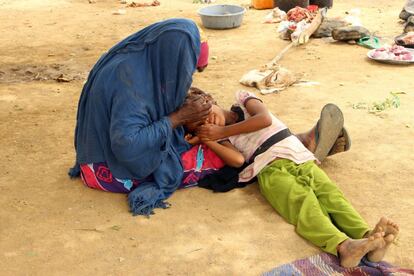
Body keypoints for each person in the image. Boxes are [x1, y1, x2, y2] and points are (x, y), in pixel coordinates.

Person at [194, 90, 399, 268]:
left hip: (299, 156)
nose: (206, 122)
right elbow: (238, 160)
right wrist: (210, 139)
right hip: (269, 169)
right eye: (198, 126)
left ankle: (368, 237)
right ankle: (344, 247)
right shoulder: (222, 139)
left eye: (204, 114)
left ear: (209, 99)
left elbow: (264, 119)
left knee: (331, 194)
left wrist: (222, 130)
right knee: (303, 204)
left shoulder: (243, 101)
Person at [68, 18, 213, 216]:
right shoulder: (130, 82)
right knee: (206, 161)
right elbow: (127, 145)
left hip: (97, 151)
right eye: (187, 69)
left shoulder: (141, 61)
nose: (187, 78)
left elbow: (149, 103)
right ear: (172, 58)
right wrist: (178, 118)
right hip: (104, 169)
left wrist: (180, 100)